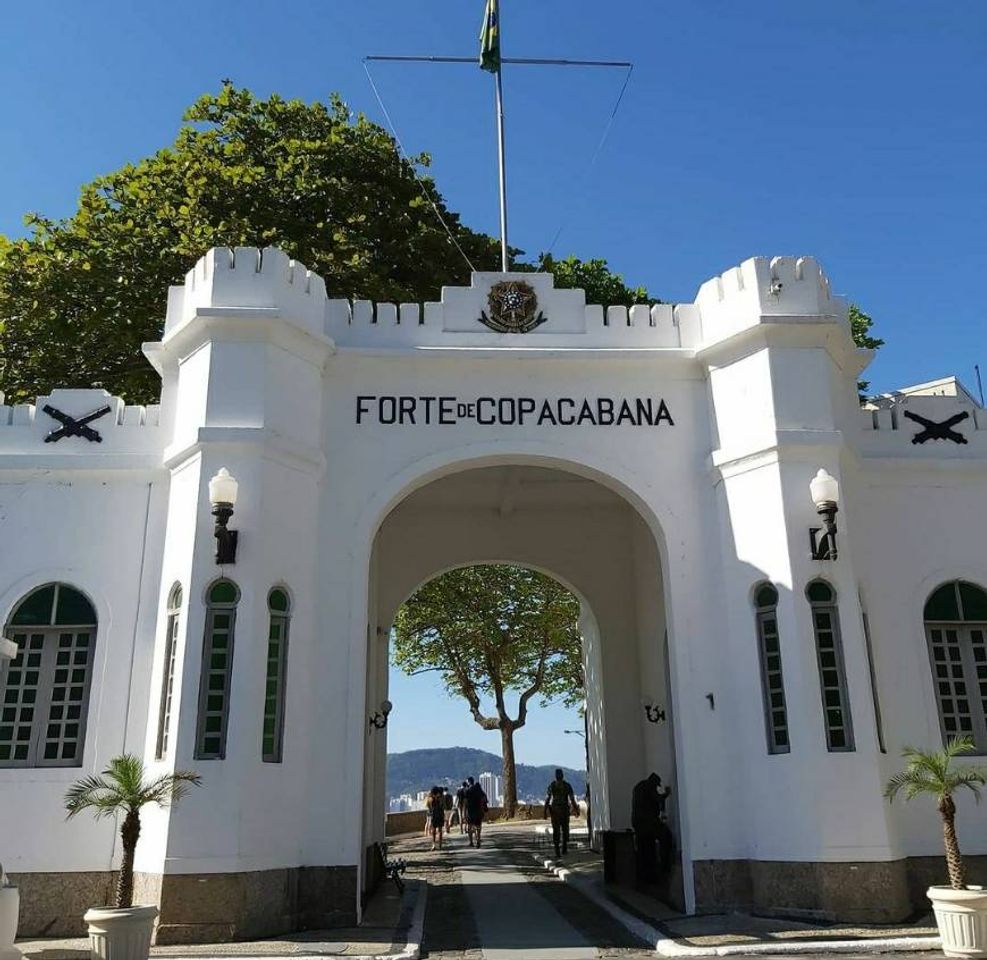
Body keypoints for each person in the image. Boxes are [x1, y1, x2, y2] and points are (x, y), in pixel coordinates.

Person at [631, 772, 672, 885]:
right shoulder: (649, 787)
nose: (656, 788)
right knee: (665, 835)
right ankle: (663, 870)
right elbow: (657, 799)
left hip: (638, 823)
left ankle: (644, 878)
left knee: (645, 849)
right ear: (654, 783)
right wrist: (666, 794)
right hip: (647, 823)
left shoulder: (639, 786)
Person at [544, 768, 579, 859]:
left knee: (557, 831)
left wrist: (545, 811)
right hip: (564, 810)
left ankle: (558, 850)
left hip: (555, 811)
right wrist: (576, 809)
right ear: (562, 775)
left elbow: (547, 799)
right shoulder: (567, 785)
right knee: (564, 829)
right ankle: (564, 847)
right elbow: (572, 799)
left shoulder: (552, 785)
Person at [463, 776, 488, 848]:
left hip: (470, 811)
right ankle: (478, 839)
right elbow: (484, 799)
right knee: (478, 826)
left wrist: (464, 813)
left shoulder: (467, 791)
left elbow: (465, 802)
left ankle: (471, 841)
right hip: (478, 810)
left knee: (470, 827)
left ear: (468, 782)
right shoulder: (479, 790)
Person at [426, 786, 446, 851]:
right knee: (440, 830)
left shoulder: (430, 798)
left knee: (434, 830)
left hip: (433, 815)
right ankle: (440, 844)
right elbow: (443, 806)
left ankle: (434, 844)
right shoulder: (441, 797)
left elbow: (428, 807)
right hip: (440, 814)